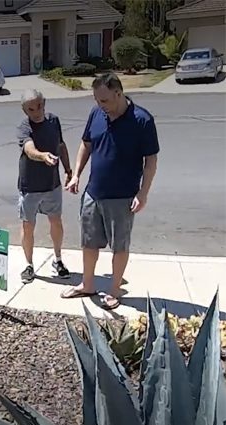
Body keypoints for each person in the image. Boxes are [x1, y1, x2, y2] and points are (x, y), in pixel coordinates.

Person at [62, 73, 160, 309]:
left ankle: (115, 289)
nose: (100, 105)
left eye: (104, 100)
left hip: (122, 197)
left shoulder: (141, 120)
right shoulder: (97, 114)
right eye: (96, 100)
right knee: (88, 242)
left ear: (118, 93)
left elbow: (151, 161)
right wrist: (76, 174)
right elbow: (86, 144)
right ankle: (87, 285)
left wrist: (142, 193)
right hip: (93, 193)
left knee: (119, 245)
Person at [16, 89, 71, 283]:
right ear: (25, 110)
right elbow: (29, 149)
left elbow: (61, 146)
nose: (37, 111)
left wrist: (69, 170)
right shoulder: (24, 127)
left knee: (56, 221)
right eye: (31, 109)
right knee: (28, 225)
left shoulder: (53, 121)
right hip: (30, 186)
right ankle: (29, 265)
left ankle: (58, 260)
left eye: (39, 105)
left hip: (52, 185)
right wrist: (43, 156)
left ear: (44, 102)